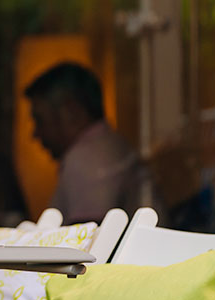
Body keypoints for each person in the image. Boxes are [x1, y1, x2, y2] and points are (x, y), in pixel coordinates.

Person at [25, 62, 148, 223]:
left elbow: (87, 240)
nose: (35, 134)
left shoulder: (86, 159)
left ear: (71, 112)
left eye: (40, 120)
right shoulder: (108, 146)